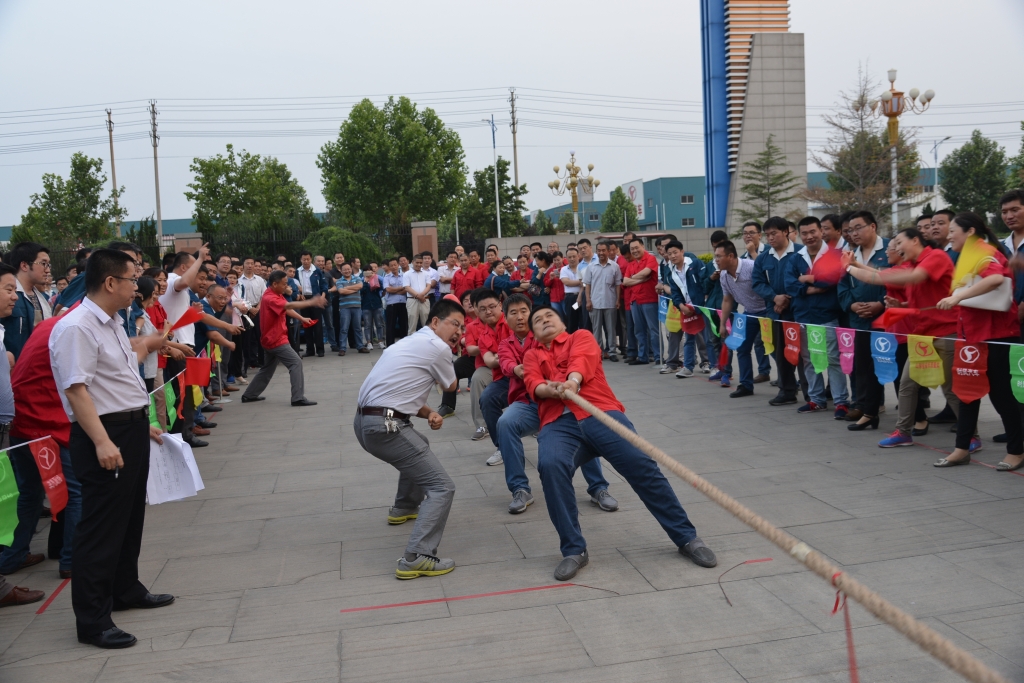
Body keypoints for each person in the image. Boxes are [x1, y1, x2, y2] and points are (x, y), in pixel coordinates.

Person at [524, 305, 717, 580]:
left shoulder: (580, 336)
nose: (544, 320)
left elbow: (582, 362)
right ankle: (574, 550)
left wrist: (572, 382)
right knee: (550, 466)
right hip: (558, 424)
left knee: (641, 465)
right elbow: (533, 383)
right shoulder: (532, 354)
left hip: (600, 413)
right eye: (538, 320)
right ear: (533, 333)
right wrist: (550, 389)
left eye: (549, 316)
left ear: (562, 323)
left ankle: (686, 538)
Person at [49, 249, 172, 649]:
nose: (138, 286)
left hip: (129, 427)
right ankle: (93, 620)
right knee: (100, 528)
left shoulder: (114, 321)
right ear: (109, 282)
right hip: (104, 433)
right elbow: (76, 390)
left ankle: (125, 588)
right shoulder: (76, 327)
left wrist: (141, 422)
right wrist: (102, 440)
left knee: (129, 517)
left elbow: (118, 376)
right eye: (133, 279)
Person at [354, 298, 465, 579]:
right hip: (386, 426)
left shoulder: (410, 342)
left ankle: (404, 506)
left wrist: (429, 412)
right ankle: (416, 557)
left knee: (420, 444)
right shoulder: (438, 347)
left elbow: (399, 393)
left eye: (462, 328)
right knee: (442, 488)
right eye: (455, 324)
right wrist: (456, 353)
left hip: (366, 422)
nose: (459, 332)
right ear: (435, 322)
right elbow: (451, 385)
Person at [845, 228, 976, 451]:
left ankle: (972, 436)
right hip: (922, 334)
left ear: (915, 240)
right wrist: (903, 305)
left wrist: (849, 268)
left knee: (950, 388)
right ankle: (903, 432)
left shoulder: (935, 257)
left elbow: (889, 277)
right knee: (907, 384)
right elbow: (899, 282)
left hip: (946, 333)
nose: (895, 248)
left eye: (899, 243)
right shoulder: (914, 264)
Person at [493, 295, 617, 514]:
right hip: (529, 403)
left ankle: (598, 487)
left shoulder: (548, 335)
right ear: (505, 318)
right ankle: (520, 489)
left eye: (524, 311)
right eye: (513, 313)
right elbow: (506, 364)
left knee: (579, 422)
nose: (520, 317)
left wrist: (567, 382)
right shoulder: (505, 344)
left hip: (562, 400)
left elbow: (576, 361)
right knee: (505, 423)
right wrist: (518, 369)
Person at [934, 212, 1023, 471]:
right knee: (967, 393)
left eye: (953, 231)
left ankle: (1016, 451)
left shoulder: (984, 251)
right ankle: (962, 449)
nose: (949, 236)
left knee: (1001, 395)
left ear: (970, 232)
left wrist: (957, 297)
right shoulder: (967, 256)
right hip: (970, 336)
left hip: (995, 335)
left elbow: (996, 279)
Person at [783, 217, 850, 417]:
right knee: (809, 360)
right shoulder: (795, 258)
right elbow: (790, 285)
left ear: (821, 231)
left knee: (833, 360)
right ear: (799, 235)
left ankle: (841, 402)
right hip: (803, 316)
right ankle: (816, 400)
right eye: (804, 233)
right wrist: (813, 289)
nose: (809, 236)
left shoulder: (835, 255)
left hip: (827, 316)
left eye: (813, 231)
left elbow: (834, 279)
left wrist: (808, 278)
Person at [837, 211, 889, 430]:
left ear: (873, 226)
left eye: (858, 228)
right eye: (850, 230)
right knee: (862, 366)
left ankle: (914, 410)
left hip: (886, 320)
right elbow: (842, 286)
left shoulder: (889, 249)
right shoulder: (849, 255)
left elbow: (895, 280)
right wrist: (852, 306)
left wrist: (881, 304)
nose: (853, 233)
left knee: (889, 365)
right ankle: (865, 407)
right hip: (858, 319)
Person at [241, 270, 325, 407]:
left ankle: (249, 394)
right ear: (275, 284)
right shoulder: (270, 298)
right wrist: (311, 302)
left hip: (271, 338)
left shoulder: (275, 294)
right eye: (284, 284)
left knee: (267, 368)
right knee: (295, 363)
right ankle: (297, 398)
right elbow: (288, 306)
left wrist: (302, 318)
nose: (287, 286)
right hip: (275, 339)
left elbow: (286, 309)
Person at [716, 240, 768, 398]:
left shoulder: (751, 267)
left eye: (719, 256)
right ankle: (746, 385)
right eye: (715, 256)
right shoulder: (724, 275)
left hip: (767, 312)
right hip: (749, 313)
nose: (716, 260)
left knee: (774, 350)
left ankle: (789, 385)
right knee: (742, 348)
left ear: (730, 256)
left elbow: (769, 286)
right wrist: (723, 324)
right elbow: (727, 300)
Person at [466, 289, 508, 445]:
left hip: (516, 366)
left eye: (491, 306)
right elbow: (471, 350)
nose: (488, 311)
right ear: (476, 309)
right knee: (477, 379)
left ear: (500, 305)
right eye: (482, 308)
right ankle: (482, 425)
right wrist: (495, 355)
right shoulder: (475, 328)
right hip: (489, 367)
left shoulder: (510, 321)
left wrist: (498, 354)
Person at [664, 240, 708, 378]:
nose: (673, 256)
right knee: (689, 338)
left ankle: (712, 365)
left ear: (682, 252)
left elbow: (705, 282)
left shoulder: (695, 264)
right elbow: (675, 293)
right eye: (670, 254)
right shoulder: (671, 272)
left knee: (708, 339)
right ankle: (688, 367)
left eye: (675, 252)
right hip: (687, 309)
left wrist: (703, 300)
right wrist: (681, 306)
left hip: (702, 307)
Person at [2, 241, 53, 359]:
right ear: (24, 266)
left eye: (48, 265)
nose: (48, 270)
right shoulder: (7, 296)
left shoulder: (42, 298)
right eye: (43, 264)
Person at [582, 241, 622, 361]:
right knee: (596, 330)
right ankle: (598, 352)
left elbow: (618, 285)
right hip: (595, 303)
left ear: (608, 251)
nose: (601, 253)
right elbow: (587, 285)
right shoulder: (591, 267)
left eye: (603, 250)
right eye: (599, 250)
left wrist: (618, 299)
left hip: (610, 302)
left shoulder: (615, 266)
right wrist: (588, 300)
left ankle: (612, 352)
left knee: (611, 329)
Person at [296, 251, 330, 357]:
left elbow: (324, 286)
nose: (306, 261)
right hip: (303, 299)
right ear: (301, 260)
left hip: (316, 298)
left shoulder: (317, 271)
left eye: (308, 259)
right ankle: (310, 349)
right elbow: (294, 285)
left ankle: (320, 349)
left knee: (318, 325)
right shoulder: (297, 271)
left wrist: (322, 297)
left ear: (311, 259)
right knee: (306, 324)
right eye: (304, 259)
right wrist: (299, 295)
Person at [335, 263, 368, 356]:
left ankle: (360, 346)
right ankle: (342, 348)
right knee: (344, 328)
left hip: (357, 307)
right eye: (344, 269)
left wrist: (347, 288)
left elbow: (360, 286)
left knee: (358, 328)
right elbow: (341, 291)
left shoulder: (357, 278)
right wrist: (354, 290)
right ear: (341, 271)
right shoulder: (339, 281)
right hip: (344, 308)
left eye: (348, 269)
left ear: (351, 269)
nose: (347, 271)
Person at [404, 254, 434, 332]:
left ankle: (427, 338)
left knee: (426, 322)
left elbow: (428, 286)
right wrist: (418, 296)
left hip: (424, 300)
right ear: (412, 262)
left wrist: (422, 295)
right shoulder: (407, 274)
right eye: (417, 262)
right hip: (412, 300)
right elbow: (407, 287)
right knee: (412, 322)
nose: (419, 264)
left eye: (420, 263)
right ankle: (412, 338)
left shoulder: (426, 274)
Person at [383, 257, 408, 346]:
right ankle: (390, 345)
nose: (393, 267)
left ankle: (404, 345)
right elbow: (388, 290)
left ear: (398, 265)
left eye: (395, 265)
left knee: (404, 325)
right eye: (391, 265)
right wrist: (401, 288)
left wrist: (395, 290)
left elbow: (406, 289)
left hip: (403, 303)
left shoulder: (404, 276)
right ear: (389, 267)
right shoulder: (386, 277)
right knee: (390, 325)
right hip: (392, 304)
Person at [360, 265, 386, 350]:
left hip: (377, 304)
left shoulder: (377, 278)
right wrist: (365, 282)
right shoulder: (361, 280)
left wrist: (375, 278)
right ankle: (369, 342)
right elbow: (361, 291)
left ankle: (380, 341)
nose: (368, 272)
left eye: (369, 270)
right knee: (367, 325)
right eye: (366, 271)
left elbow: (383, 288)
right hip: (366, 305)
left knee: (379, 324)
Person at [559, 248, 584, 333]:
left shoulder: (583, 268)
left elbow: (586, 283)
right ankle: (571, 339)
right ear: (566, 258)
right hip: (571, 298)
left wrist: (582, 283)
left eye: (574, 256)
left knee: (583, 321)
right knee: (571, 321)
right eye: (569, 257)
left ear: (578, 256)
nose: (572, 259)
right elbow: (567, 282)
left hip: (582, 296)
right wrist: (581, 282)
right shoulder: (564, 269)